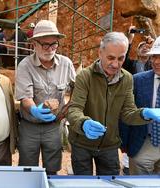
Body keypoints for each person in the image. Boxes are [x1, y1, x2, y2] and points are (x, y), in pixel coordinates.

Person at [67, 31, 160, 175]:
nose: (115, 64)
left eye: (121, 58)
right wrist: (83, 123)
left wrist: (144, 113)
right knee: (82, 182)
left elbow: (127, 114)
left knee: (111, 181)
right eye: (111, 58)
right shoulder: (85, 76)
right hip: (82, 144)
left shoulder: (127, 79)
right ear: (100, 53)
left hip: (109, 145)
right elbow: (74, 109)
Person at [15, 20, 76, 175]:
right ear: (34, 44)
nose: (50, 49)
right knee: (28, 169)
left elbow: (76, 90)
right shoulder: (25, 65)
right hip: (30, 126)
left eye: (54, 44)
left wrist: (66, 111)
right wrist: (34, 109)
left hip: (54, 127)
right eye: (45, 44)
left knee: (52, 167)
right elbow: (24, 97)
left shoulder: (66, 64)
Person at [120, 36, 160, 175]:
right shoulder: (137, 80)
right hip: (143, 142)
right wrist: (124, 143)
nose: (156, 61)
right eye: (154, 57)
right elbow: (126, 112)